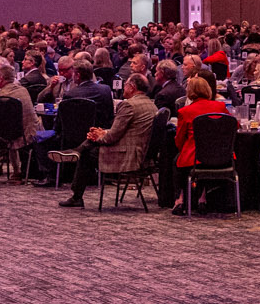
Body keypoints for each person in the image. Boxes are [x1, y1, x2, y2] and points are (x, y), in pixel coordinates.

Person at [60, 74, 156, 209]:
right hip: (141, 152)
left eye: (126, 85)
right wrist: (102, 132)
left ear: (132, 87)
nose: (123, 87)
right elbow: (124, 132)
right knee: (93, 141)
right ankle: (77, 152)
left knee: (88, 153)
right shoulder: (151, 104)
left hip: (129, 156)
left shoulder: (128, 105)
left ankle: (76, 195)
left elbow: (112, 137)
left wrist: (99, 136)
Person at [171, 75, 228, 213]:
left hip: (193, 157)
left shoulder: (185, 111)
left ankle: (181, 199)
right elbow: (234, 125)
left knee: (177, 162)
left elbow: (179, 139)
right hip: (222, 157)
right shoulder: (221, 106)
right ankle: (202, 198)